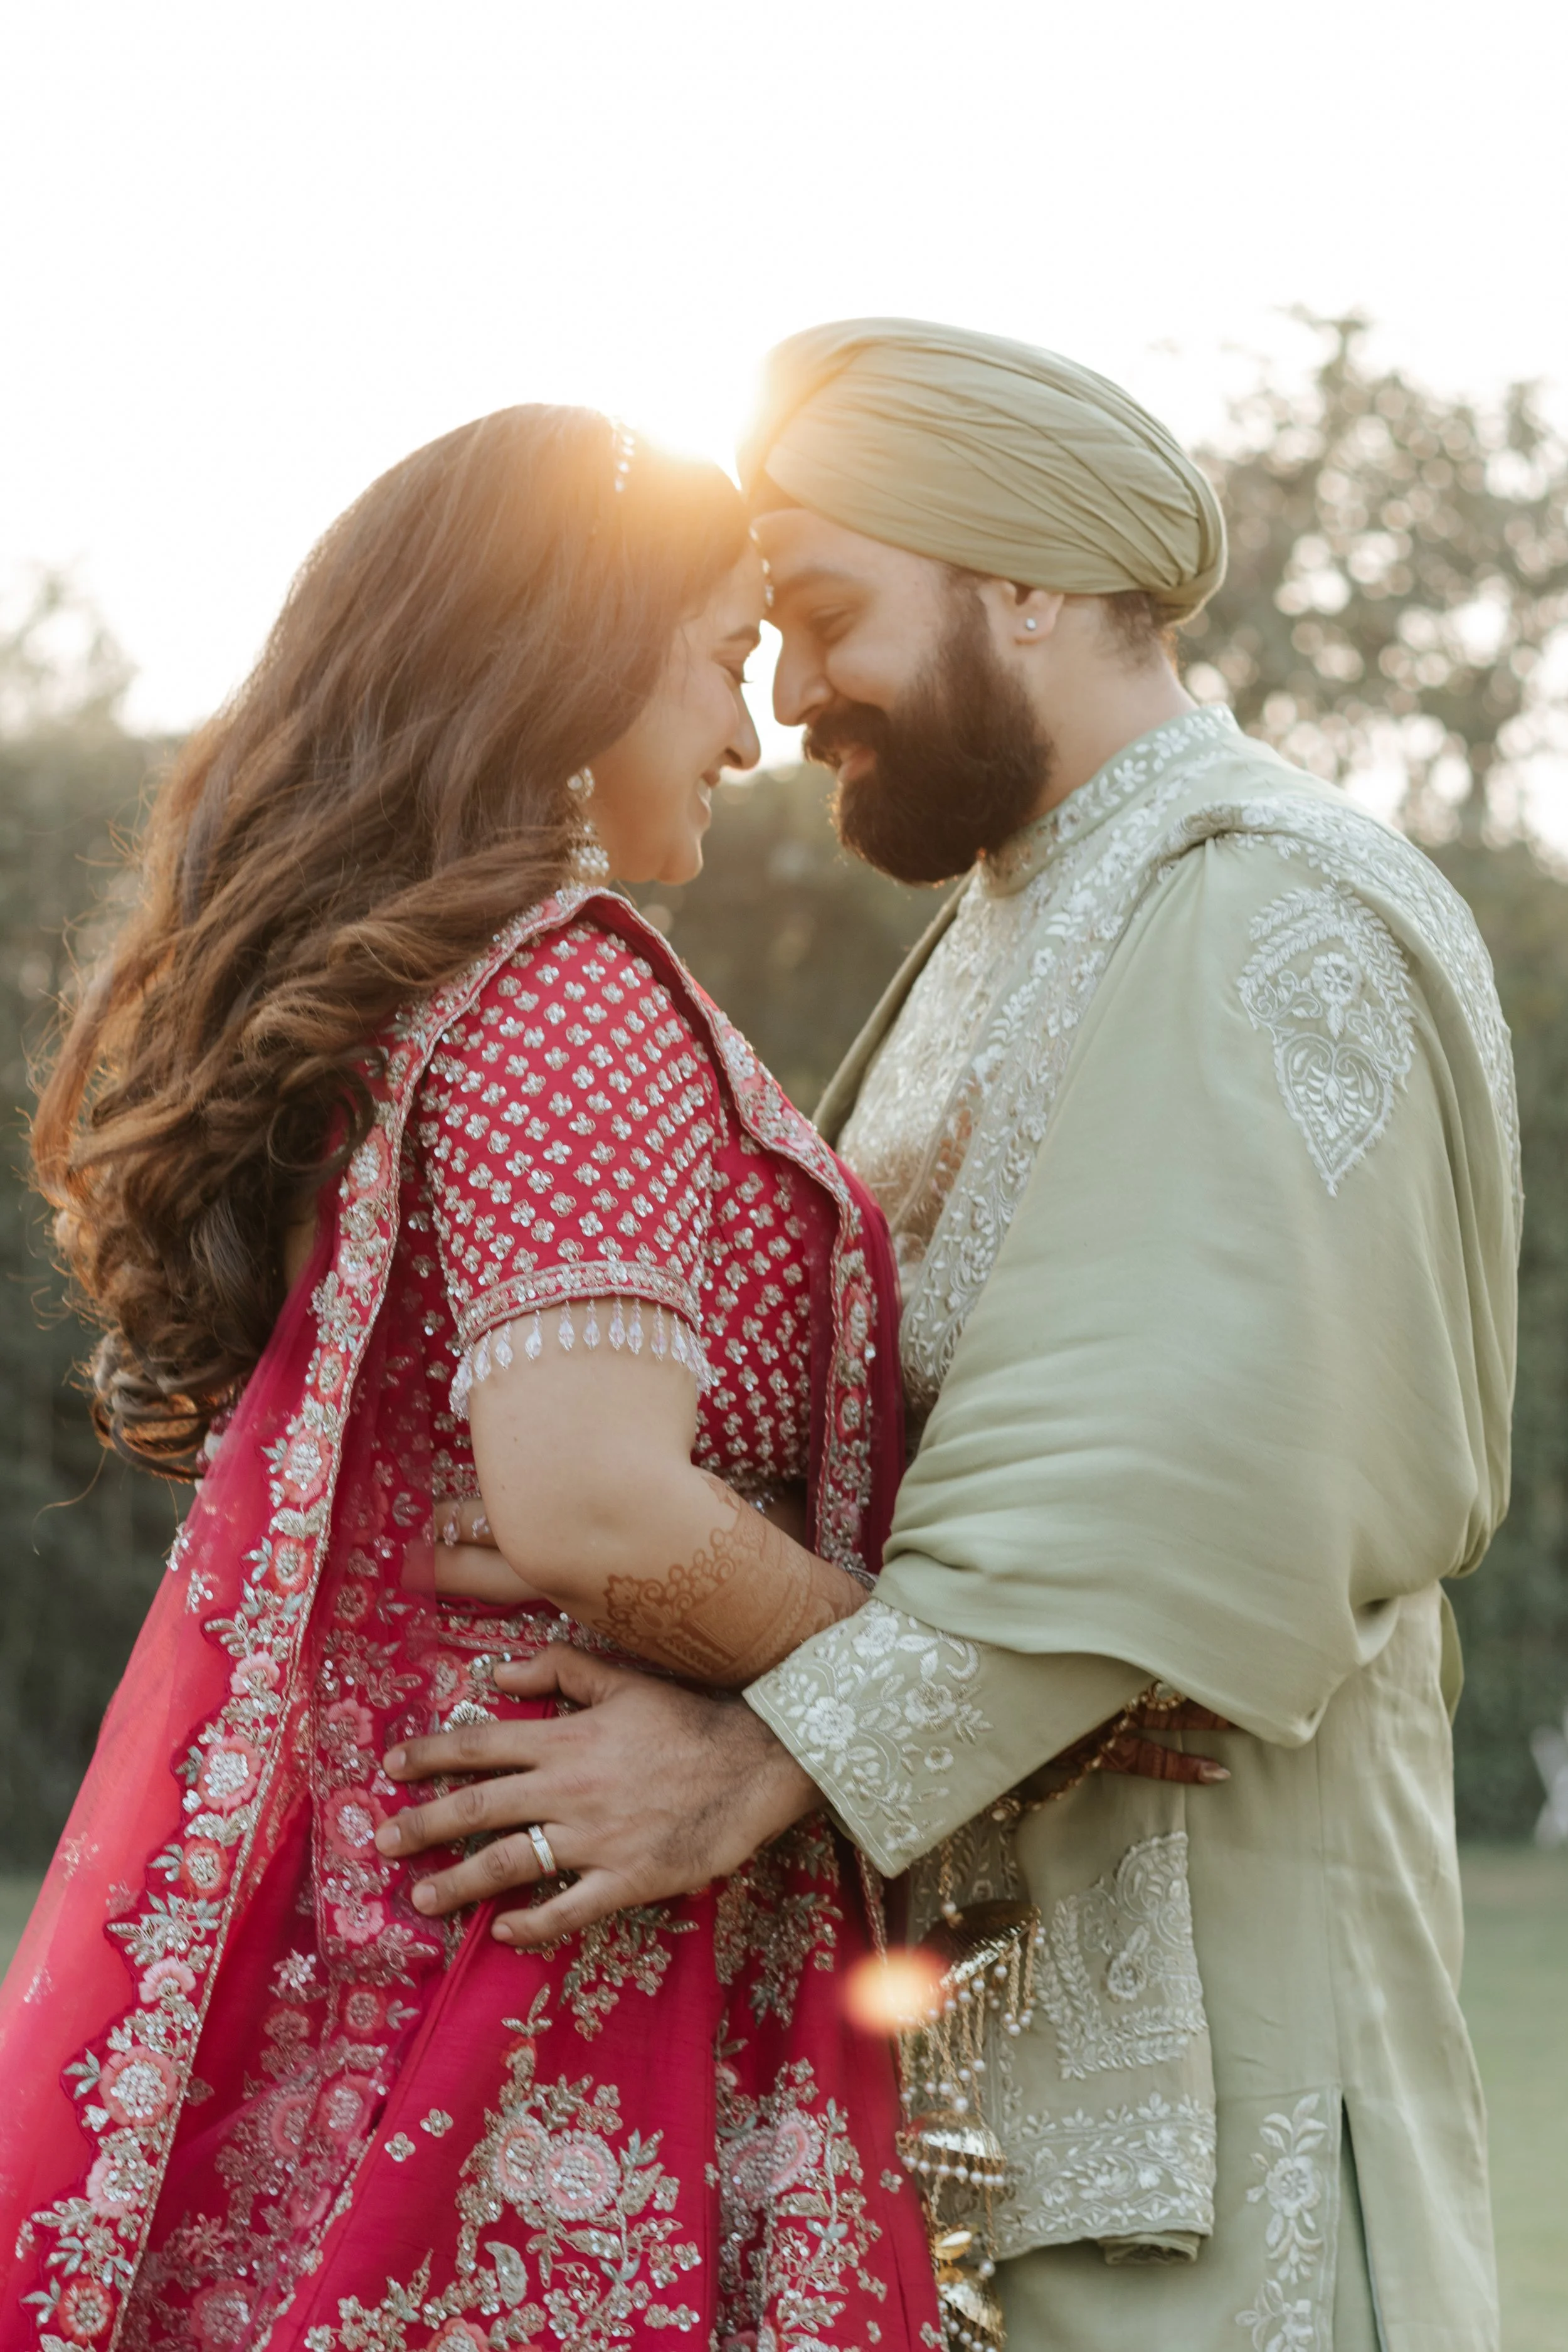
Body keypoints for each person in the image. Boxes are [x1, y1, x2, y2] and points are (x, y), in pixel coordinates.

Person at [386, 324, 1516, 2352]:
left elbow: (1189, 1468)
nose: (787, 692)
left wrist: (755, 1758)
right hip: (966, 2054)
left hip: (1218, 2046)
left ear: (1023, 581)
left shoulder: (1266, 907)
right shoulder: (1015, 914)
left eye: (828, 616)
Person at [1, 406, 956, 2352]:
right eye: (718, 656)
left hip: (441, 1900)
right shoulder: (571, 987)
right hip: (529, 1963)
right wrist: (902, 1682)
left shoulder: (424, 994)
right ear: (582, 659)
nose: (747, 731)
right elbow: (591, 1499)